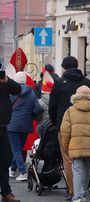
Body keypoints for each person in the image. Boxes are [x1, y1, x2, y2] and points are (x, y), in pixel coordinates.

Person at [49, 56, 90, 201]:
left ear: (64, 67)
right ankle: (82, 192)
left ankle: (73, 192)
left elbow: (52, 105)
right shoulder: (86, 82)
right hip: (88, 126)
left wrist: (55, 123)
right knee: (86, 162)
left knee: (69, 160)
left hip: (65, 124)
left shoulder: (59, 82)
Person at [60, 86, 90, 202]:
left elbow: (64, 131)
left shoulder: (70, 111)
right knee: (86, 169)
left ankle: (77, 196)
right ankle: (83, 193)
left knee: (77, 170)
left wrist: (65, 146)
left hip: (76, 145)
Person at [7, 72, 40, 181]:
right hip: (26, 125)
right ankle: (12, 169)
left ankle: (23, 172)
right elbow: (37, 109)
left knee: (16, 148)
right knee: (19, 148)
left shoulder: (10, 92)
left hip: (12, 124)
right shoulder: (31, 92)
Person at [0, 73, 21, 202]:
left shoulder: (3, 80)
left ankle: (6, 193)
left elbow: (18, 89)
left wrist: (7, 81)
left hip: (2, 126)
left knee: (6, 159)